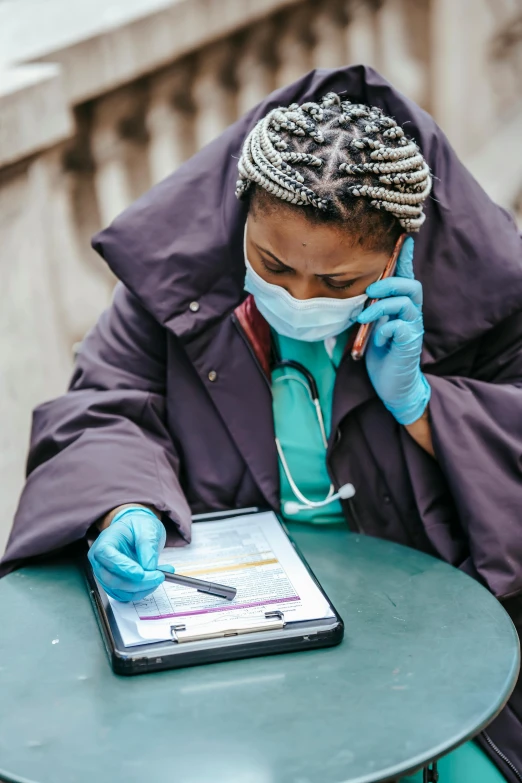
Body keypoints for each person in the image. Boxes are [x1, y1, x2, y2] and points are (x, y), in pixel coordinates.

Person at [2, 66, 521, 780]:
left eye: (339, 282)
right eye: (273, 265)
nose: (299, 295)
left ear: (405, 251)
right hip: (228, 636)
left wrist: (426, 408)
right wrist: (120, 503)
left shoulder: (493, 302)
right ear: (242, 213)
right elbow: (104, 401)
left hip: (426, 633)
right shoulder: (174, 282)